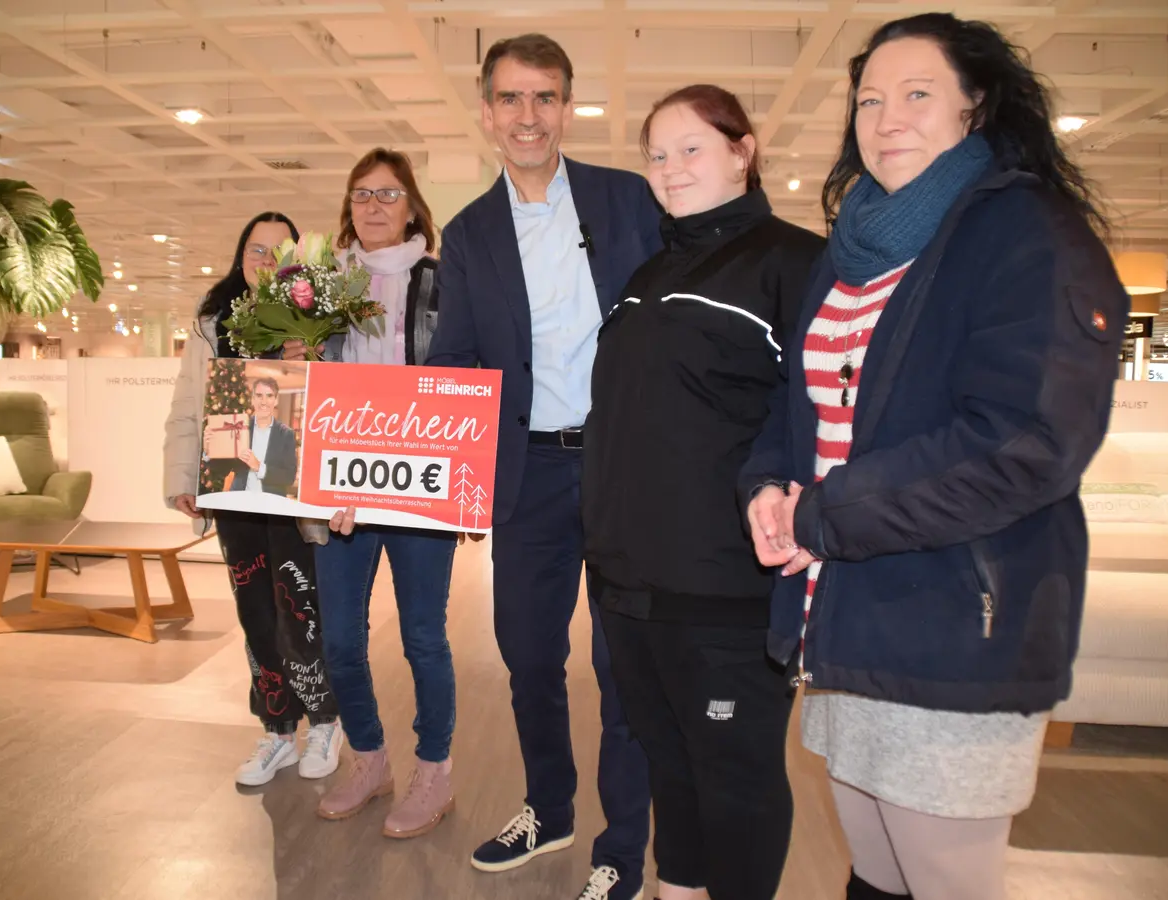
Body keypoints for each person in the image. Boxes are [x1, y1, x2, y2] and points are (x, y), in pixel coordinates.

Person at [739, 14, 1128, 900]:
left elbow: (1022, 441)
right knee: (876, 875)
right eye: (870, 99)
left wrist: (819, 516)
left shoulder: (1028, 234)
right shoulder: (856, 255)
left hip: (956, 621)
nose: (887, 119)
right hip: (845, 616)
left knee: (948, 880)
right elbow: (797, 407)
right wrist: (767, 484)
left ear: (976, 107)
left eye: (918, 94)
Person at [424, 32, 664, 900]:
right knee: (528, 657)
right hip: (524, 475)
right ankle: (549, 808)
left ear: (568, 107)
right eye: (512, 100)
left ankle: (621, 851)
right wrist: (396, 463)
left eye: (546, 98)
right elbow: (453, 364)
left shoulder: (627, 200)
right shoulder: (469, 232)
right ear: (487, 113)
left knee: (621, 666)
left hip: (623, 470)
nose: (530, 116)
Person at [582, 85, 825, 900]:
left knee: (738, 782)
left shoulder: (793, 261)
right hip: (627, 585)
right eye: (656, 153)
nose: (671, 167)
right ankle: (677, 888)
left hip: (726, 590)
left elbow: (815, 413)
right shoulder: (649, 272)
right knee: (669, 766)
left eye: (691, 147)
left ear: (742, 150)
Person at [303, 148, 461, 840]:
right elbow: (302, 387)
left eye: (387, 194)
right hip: (338, 490)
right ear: (348, 206)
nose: (373, 205)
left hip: (417, 486)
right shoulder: (316, 287)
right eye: (361, 194)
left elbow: (466, 377)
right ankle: (368, 759)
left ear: (411, 205)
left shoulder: (443, 280)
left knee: (424, 636)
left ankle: (435, 770)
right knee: (339, 638)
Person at [163, 211, 343, 788]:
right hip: (234, 489)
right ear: (240, 256)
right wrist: (181, 477)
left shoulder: (313, 318)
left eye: (277, 251)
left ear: (295, 261)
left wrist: (310, 355)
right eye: (255, 250)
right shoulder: (213, 323)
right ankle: (276, 727)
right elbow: (188, 404)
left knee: (300, 611)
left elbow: (341, 402)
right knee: (254, 614)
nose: (264, 260)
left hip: (292, 491)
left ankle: (325, 719)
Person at [219, 376, 298, 496]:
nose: (264, 402)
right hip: (238, 502)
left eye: (269, 396)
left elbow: (289, 477)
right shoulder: (240, 428)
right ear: (252, 399)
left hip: (270, 507)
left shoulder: (286, 434)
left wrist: (259, 467)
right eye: (259, 395)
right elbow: (223, 468)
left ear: (276, 400)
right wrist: (210, 450)